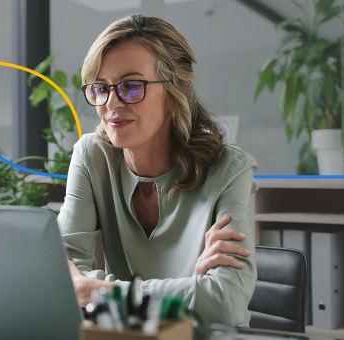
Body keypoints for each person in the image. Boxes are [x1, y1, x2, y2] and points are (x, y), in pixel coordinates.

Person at [57, 14, 259, 326]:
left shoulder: (229, 169)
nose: (111, 103)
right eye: (100, 87)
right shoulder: (91, 156)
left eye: (131, 86)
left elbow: (224, 303)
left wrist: (98, 291)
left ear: (178, 93)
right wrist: (189, 289)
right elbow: (60, 282)